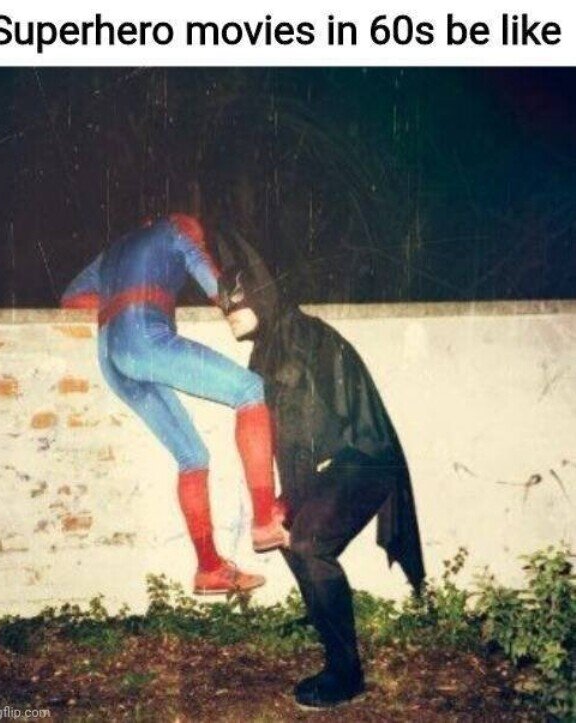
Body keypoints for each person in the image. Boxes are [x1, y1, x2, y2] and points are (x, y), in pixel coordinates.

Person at [217, 231, 425, 709]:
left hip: (364, 457)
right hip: (336, 462)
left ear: (261, 294)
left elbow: (308, 426)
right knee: (294, 540)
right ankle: (331, 638)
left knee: (307, 542)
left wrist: (290, 502)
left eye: (237, 300)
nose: (228, 313)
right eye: (223, 305)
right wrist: (285, 504)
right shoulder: (269, 344)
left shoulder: (297, 336)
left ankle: (346, 675)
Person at [61, 213, 288, 595]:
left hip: (111, 357)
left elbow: (71, 299)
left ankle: (209, 569)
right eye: (198, 235)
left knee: (192, 457)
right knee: (250, 391)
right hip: (144, 340)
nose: (198, 239)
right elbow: (218, 289)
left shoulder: (113, 253)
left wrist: (123, 299)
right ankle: (265, 520)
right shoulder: (175, 231)